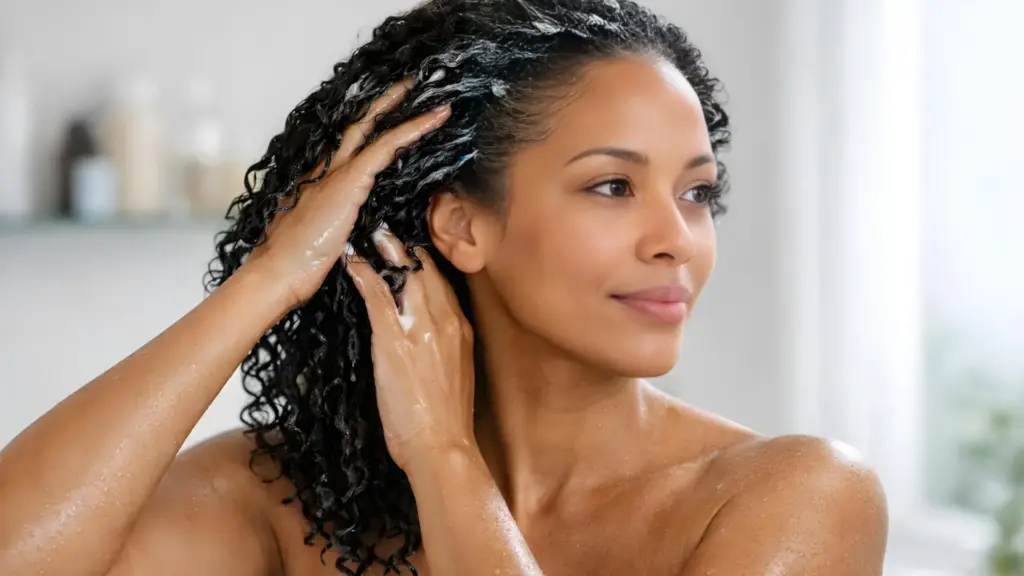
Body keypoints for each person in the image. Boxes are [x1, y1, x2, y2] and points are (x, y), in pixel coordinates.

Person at [0, 0, 888, 574]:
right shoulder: (284, 499)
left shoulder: (793, 497)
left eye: (698, 194)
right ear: (463, 225)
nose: (678, 243)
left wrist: (447, 462)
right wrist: (271, 277)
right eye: (612, 186)